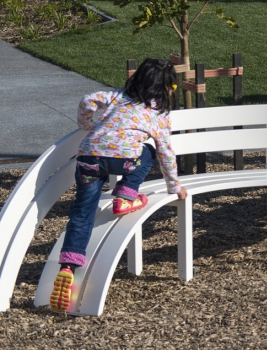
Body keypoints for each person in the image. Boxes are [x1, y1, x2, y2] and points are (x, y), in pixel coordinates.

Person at [50, 58, 187, 313]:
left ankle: (67, 267)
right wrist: (174, 186)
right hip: (124, 163)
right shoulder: (158, 114)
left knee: (81, 213)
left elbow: (87, 101)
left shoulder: (115, 96)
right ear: (164, 88)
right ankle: (125, 194)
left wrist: (87, 125)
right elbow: (166, 153)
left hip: (89, 159)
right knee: (146, 153)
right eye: (174, 86)